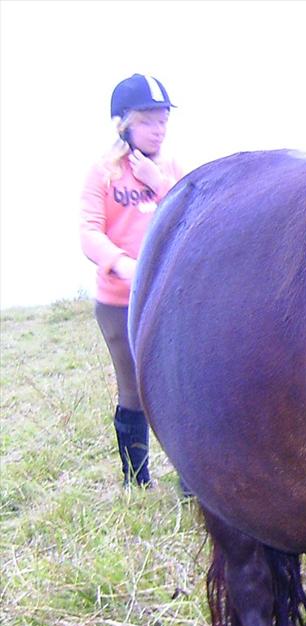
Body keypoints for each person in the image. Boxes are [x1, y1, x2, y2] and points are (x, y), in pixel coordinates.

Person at [80, 74, 183, 487]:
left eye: (163, 121)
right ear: (123, 123)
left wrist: (159, 184)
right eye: (148, 121)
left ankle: (191, 479)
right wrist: (122, 264)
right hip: (119, 301)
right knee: (133, 387)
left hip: (166, 296)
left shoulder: (172, 170)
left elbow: (193, 214)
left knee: (177, 384)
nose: (158, 130)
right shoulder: (102, 174)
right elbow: (89, 232)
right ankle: (137, 477)